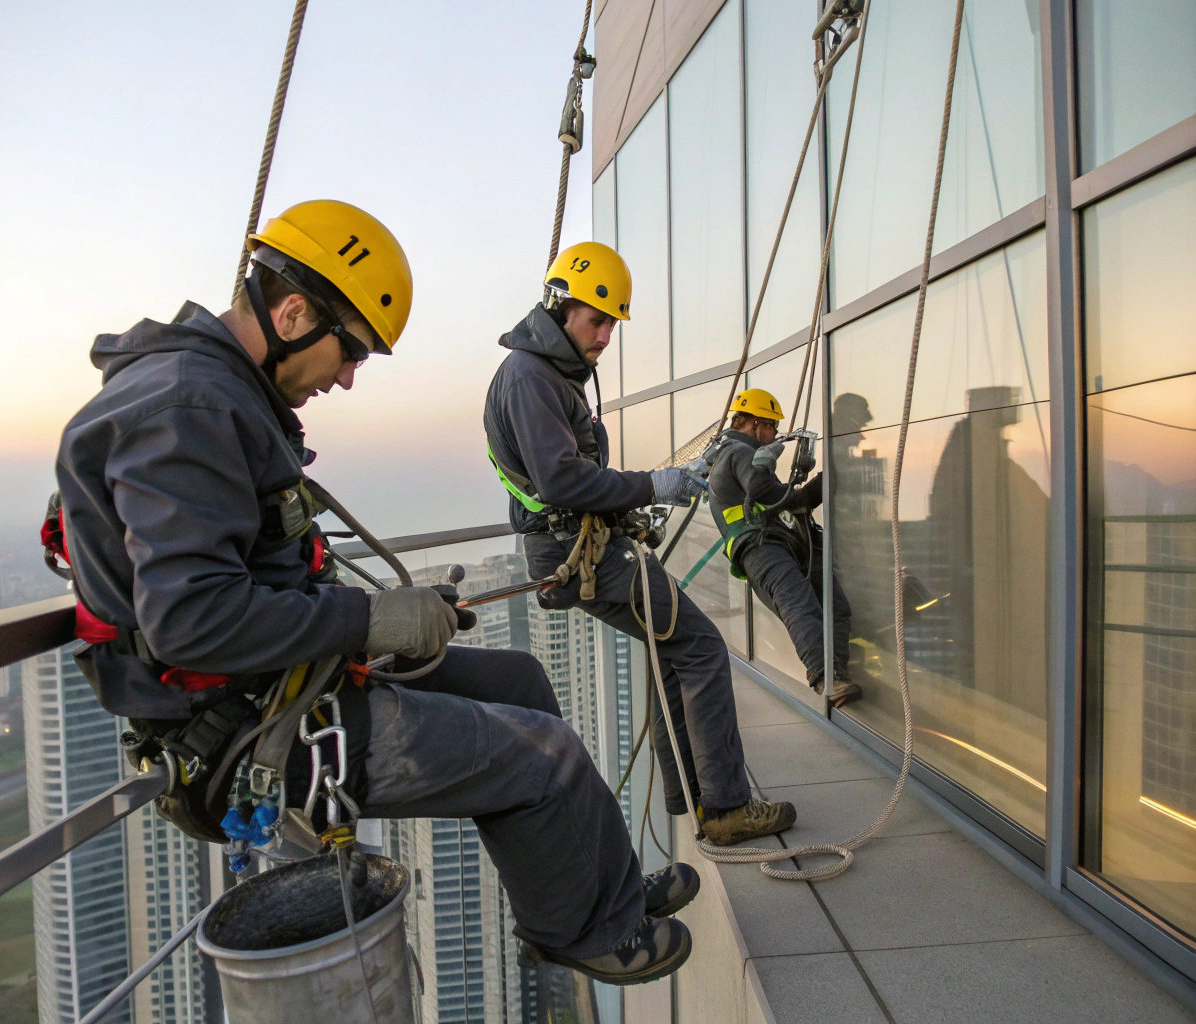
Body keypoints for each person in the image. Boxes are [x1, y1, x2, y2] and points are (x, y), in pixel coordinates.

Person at [52, 202, 698, 985]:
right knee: (543, 756)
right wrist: (373, 618)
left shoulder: (214, 393)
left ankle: (612, 895)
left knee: (521, 684)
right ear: (293, 312)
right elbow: (192, 619)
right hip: (246, 729)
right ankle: (580, 930)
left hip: (286, 679)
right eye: (350, 349)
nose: (349, 377)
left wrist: (382, 620)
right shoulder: (188, 407)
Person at [483, 241, 797, 846]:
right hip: (576, 553)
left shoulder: (548, 373)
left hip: (582, 546)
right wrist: (655, 483)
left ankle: (694, 796)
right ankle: (726, 806)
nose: (605, 335)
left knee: (671, 646)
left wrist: (638, 498)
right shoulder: (530, 376)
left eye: (611, 324)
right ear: (560, 306)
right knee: (699, 645)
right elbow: (560, 478)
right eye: (597, 320)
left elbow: (567, 474)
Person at [706, 388, 861, 707]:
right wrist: (774, 469)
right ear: (752, 423)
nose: (775, 434)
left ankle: (836, 675)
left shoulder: (740, 455)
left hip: (775, 545)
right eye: (772, 426)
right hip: (761, 547)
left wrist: (821, 483)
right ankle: (826, 677)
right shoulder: (739, 452)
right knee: (800, 604)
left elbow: (783, 499)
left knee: (836, 608)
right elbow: (765, 493)